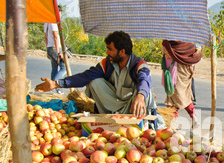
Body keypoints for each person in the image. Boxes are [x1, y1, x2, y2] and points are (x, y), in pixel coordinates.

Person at [35, 31, 164, 130]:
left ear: (122, 51)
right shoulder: (106, 64)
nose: (107, 52)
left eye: (110, 49)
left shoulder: (138, 64)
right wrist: (56, 83)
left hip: (132, 107)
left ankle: (145, 124)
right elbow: (85, 76)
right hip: (113, 106)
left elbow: (144, 79)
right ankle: (107, 120)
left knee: (144, 91)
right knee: (94, 81)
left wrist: (140, 96)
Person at [161, 40, 202, 127]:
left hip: (174, 73)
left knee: (173, 97)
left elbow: (164, 52)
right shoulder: (188, 41)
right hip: (185, 72)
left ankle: (172, 122)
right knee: (184, 96)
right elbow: (194, 53)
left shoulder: (168, 43)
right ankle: (192, 116)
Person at [44, 6, 66, 94]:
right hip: (55, 47)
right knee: (63, 68)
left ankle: (53, 89)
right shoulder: (54, 22)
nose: (60, 14)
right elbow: (56, 37)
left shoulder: (46, 22)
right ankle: (53, 84)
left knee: (54, 68)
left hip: (49, 47)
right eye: (59, 12)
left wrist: (47, 50)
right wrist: (58, 52)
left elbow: (46, 37)